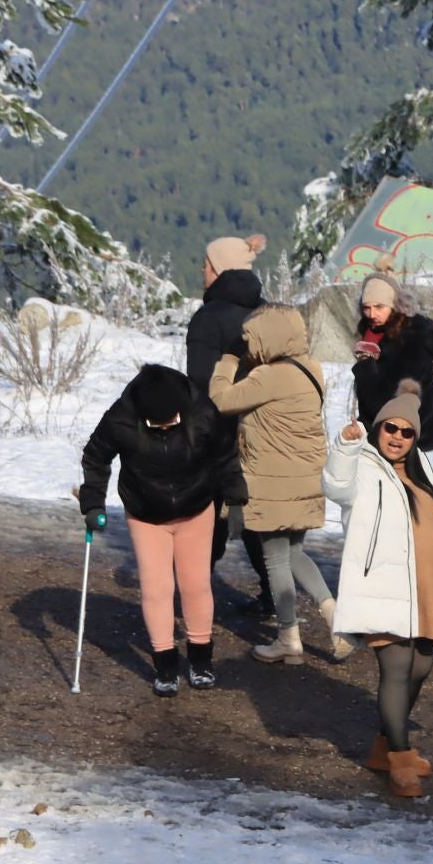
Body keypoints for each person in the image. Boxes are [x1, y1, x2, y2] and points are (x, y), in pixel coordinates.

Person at [325, 381, 433, 797]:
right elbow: (335, 486)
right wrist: (344, 445)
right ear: (378, 428)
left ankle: (383, 748)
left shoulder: (420, 467)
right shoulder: (363, 467)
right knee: (395, 668)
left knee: (421, 668)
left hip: (424, 591)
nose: (398, 438)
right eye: (391, 429)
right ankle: (401, 758)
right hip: (382, 587)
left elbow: (422, 518)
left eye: (407, 432)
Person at [79, 364, 245, 697]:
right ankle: (165, 665)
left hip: (196, 507)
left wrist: (235, 494)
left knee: (195, 584)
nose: (165, 427)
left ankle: (200, 660)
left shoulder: (202, 411)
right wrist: (93, 503)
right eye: (156, 424)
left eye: (171, 421)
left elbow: (224, 454)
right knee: (156, 588)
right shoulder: (122, 417)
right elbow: (95, 457)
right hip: (146, 513)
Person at [207, 304, 340, 666]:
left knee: (276, 557)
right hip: (305, 476)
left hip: (273, 479)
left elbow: (220, 400)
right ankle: (334, 618)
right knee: (295, 553)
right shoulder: (311, 368)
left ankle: (288, 637)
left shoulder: (268, 377)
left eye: (253, 338)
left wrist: (228, 359)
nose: (248, 345)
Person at [186, 233, 274, 619]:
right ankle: (275, 594)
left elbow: (201, 383)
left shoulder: (208, 318)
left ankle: (195, 591)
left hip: (220, 430)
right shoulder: (269, 314)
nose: (202, 271)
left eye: (206, 264)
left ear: (219, 269)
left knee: (208, 514)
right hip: (264, 430)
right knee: (256, 515)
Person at [350, 260, 433, 456]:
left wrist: (366, 366)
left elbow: (387, 403)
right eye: (366, 307)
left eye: (379, 306)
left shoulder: (409, 341)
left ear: (395, 306)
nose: (372, 314)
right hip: (395, 439)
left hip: (413, 443)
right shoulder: (375, 336)